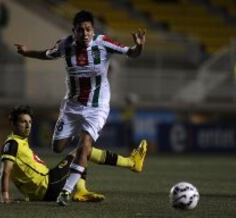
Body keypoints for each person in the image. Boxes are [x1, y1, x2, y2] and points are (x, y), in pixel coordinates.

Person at [14, 10, 147, 206]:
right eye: (80, 30)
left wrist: (139, 46)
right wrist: (27, 52)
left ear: (93, 31)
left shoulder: (102, 43)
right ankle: (126, 162)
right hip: (71, 106)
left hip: (97, 107)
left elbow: (132, 53)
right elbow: (46, 55)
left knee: (85, 145)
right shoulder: (65, 45)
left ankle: (67, 192)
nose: (84, 34)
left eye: (88, 30)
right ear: (73, 31)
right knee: (58, 147)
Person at [0, 105, 147, 203]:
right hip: (48, 186)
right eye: (22, 122)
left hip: (45, 188)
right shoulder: (12, 144)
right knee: (83, 149)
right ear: (12, 123)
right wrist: (4, 195)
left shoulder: (16, 141)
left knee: (81, 151)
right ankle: (131, 163)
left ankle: (81, 190)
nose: (27, 126)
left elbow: (3, 170)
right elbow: (6, 171)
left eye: (30, 122)